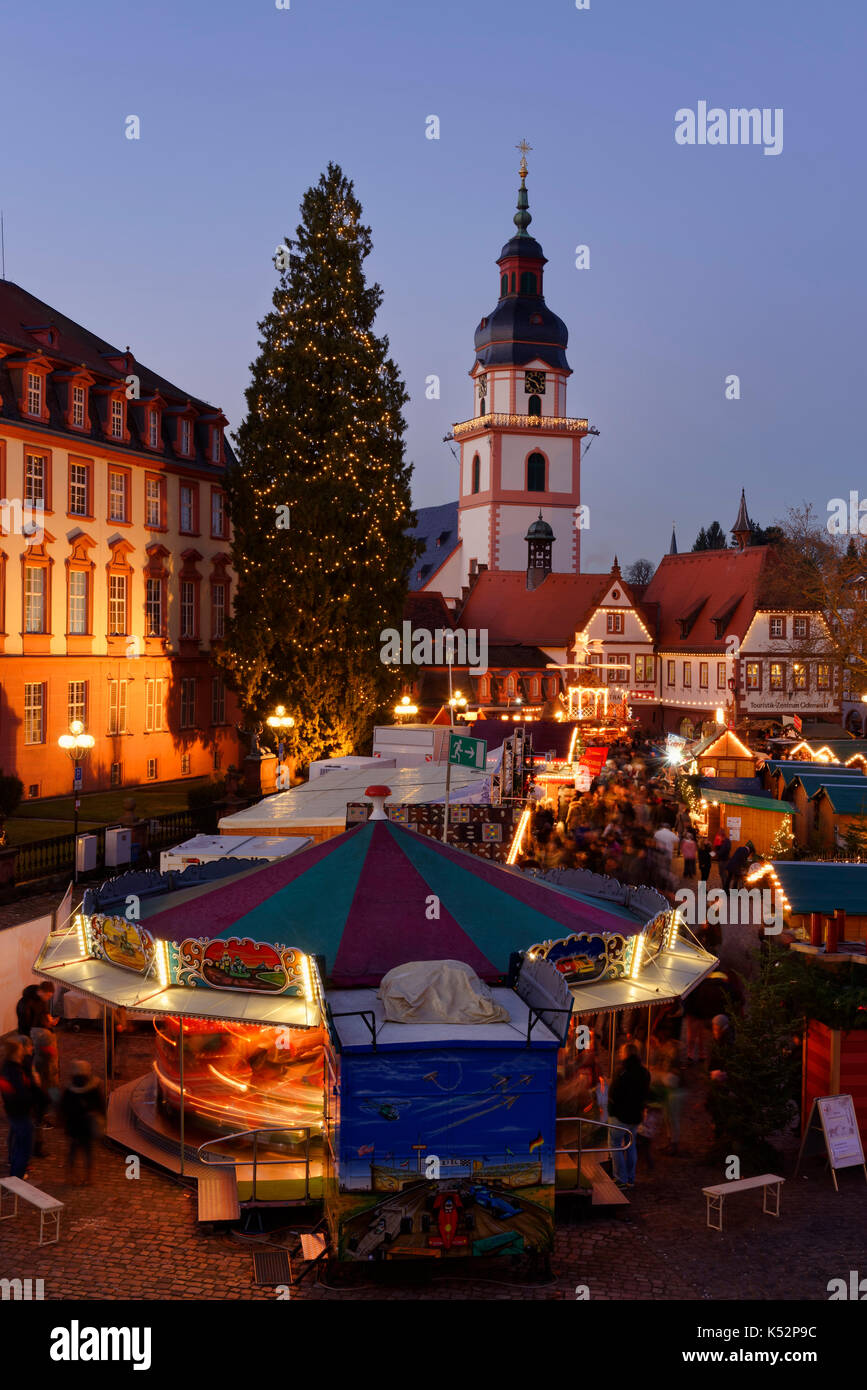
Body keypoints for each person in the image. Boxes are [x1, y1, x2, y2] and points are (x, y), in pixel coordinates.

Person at [607, 1044, 651, 1188]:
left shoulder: (622, 1071)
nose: (619, 1053)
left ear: (625, 1054)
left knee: (615, 1146)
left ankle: (620, 1178)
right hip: (635, 1115)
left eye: (620, 1051)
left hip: (620, 1115)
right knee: (631, 1146)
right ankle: (630, 1179)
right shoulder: (644, 1072)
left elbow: (614, 1093)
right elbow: (645, 1093)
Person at [59, 1061, 106, 1186]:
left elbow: (63, 1108)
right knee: (87, 1152)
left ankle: (71, 1176)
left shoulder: (69, 1091)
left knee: (73, 1151)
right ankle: (88, 1177)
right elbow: (101, 1106)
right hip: (87, 1126)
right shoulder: (93, 1089)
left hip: (74, 1126)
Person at [0, 1036, 37, 1178]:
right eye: (21, 1049)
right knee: (23, 1145)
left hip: (14, 1111)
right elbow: (20, 1093)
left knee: (18, 1140)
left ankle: (15, 1170)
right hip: (19, 1112)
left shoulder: (8, 1067)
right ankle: (17, 1175)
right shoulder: (14, 1070)